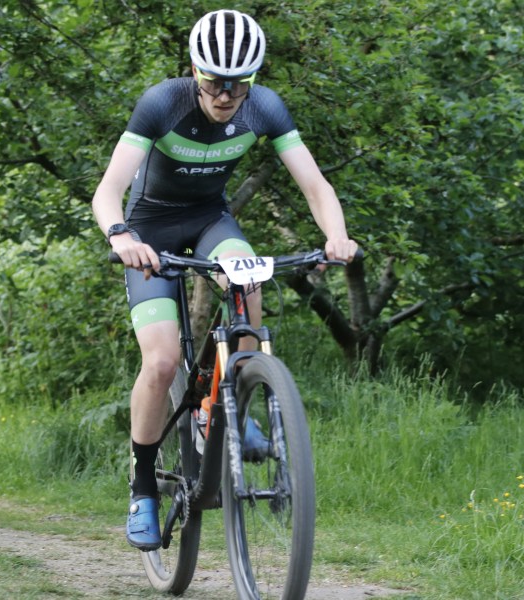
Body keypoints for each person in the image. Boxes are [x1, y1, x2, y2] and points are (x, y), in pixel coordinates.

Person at [91, 9, 359, 551]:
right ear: (196, 71)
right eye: (214, 81)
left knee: (249, 277)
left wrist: (337, 236)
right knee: (161, 361)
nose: (226, 95)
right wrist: (121, 236)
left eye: (240, 83)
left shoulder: (264, 108)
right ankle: (143, 489)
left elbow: (315, 184)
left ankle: (230, 405)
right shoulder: (162, 103)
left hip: (211, 220)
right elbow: (108, 190)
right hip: (150, 229)